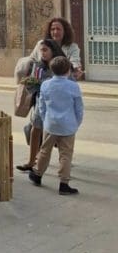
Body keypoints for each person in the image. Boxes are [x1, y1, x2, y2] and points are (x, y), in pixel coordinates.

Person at [28, 56, 84, 196]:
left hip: (50, 124)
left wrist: (45, 117)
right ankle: (64, 183)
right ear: (68, 70)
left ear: (52, 70)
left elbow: (41, 105)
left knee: (45, 150)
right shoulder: (73, 86)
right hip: (68, 125)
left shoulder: (46, 85)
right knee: (65, 154)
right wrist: (76, 123)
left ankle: (38, 174)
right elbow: (79, 108)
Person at [15, 37, 63, 172]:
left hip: (56, 105)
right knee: (35, 129)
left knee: (58, 134)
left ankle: (63, 165)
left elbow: (65, 84)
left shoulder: (60, 65)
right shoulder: (37, 65)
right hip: (40, 103)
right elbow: (33, 86)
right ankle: (31, 161)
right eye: (41, 50)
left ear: (53, 51)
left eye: (45, 50)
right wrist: (30, 84)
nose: (42, 53)